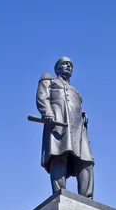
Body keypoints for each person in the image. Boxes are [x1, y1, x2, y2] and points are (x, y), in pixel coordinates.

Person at [36, 57, 94, 198]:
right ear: (57, 68)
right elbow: (41, 97)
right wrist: (48, 112)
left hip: (78, 128)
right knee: (59, 156)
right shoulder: (49, 81)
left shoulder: (76, 91)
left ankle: (87, 198)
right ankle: (59, 193)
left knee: (86, 161)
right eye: (64, 64)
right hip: (59, 122)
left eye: (70, 65)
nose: (68, 66)